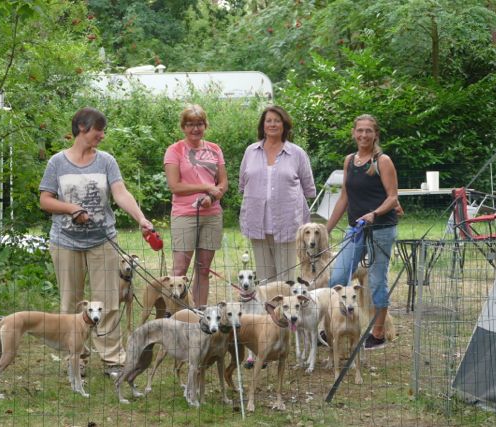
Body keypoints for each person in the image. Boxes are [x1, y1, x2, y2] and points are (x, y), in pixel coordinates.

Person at [39, 107, 154, 377]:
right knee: (70, 304)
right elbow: (45, 200)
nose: (102, 135)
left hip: (102, 241)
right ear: (82, 128)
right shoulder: (57, 162)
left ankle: (112, 359)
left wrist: (141, 218)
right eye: (98, 130)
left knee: (108, 301)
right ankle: (76, 358)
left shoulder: (106, 161)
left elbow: (120, 193)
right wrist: (71, 209)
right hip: (65, 241)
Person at [326, 114, 399, 350]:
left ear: (375, 134)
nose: (364, 135)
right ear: (354, 133)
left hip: (381, 229)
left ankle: (377, 333)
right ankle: (337, 326)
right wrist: (326, 229)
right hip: (355, 229)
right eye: (360, 130)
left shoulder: (382, 161)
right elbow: (344, 197)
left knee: (376, 282)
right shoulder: (349, 160)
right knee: (337, 278)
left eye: (369, 131)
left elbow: (392, 197)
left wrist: (374, 213)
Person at [239, 105, 316, 283]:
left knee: (286, 279)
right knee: (265, 279)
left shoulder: (297, 153)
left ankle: (286, 302)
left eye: (277, 121)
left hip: (287, 223)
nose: (272, 124)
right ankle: (268, 303)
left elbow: (308, 188)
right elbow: (243, 184)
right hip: (257, 222)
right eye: (268, 121)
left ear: (284, 125)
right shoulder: (250, 151)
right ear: (263, 125)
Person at [164, 104, 228, 307]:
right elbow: (174, 186)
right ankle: (176, 315)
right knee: (179, 270)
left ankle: (199, 313)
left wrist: (212, 197)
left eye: (199, 124)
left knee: (203, 269)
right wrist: (206, 187)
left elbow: (223, 183)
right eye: (190, 124)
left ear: (205, 125)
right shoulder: (175, 150)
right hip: (184, 215)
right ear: (183, 127)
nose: (195, 129)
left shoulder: (215, 149)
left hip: (212, 214)